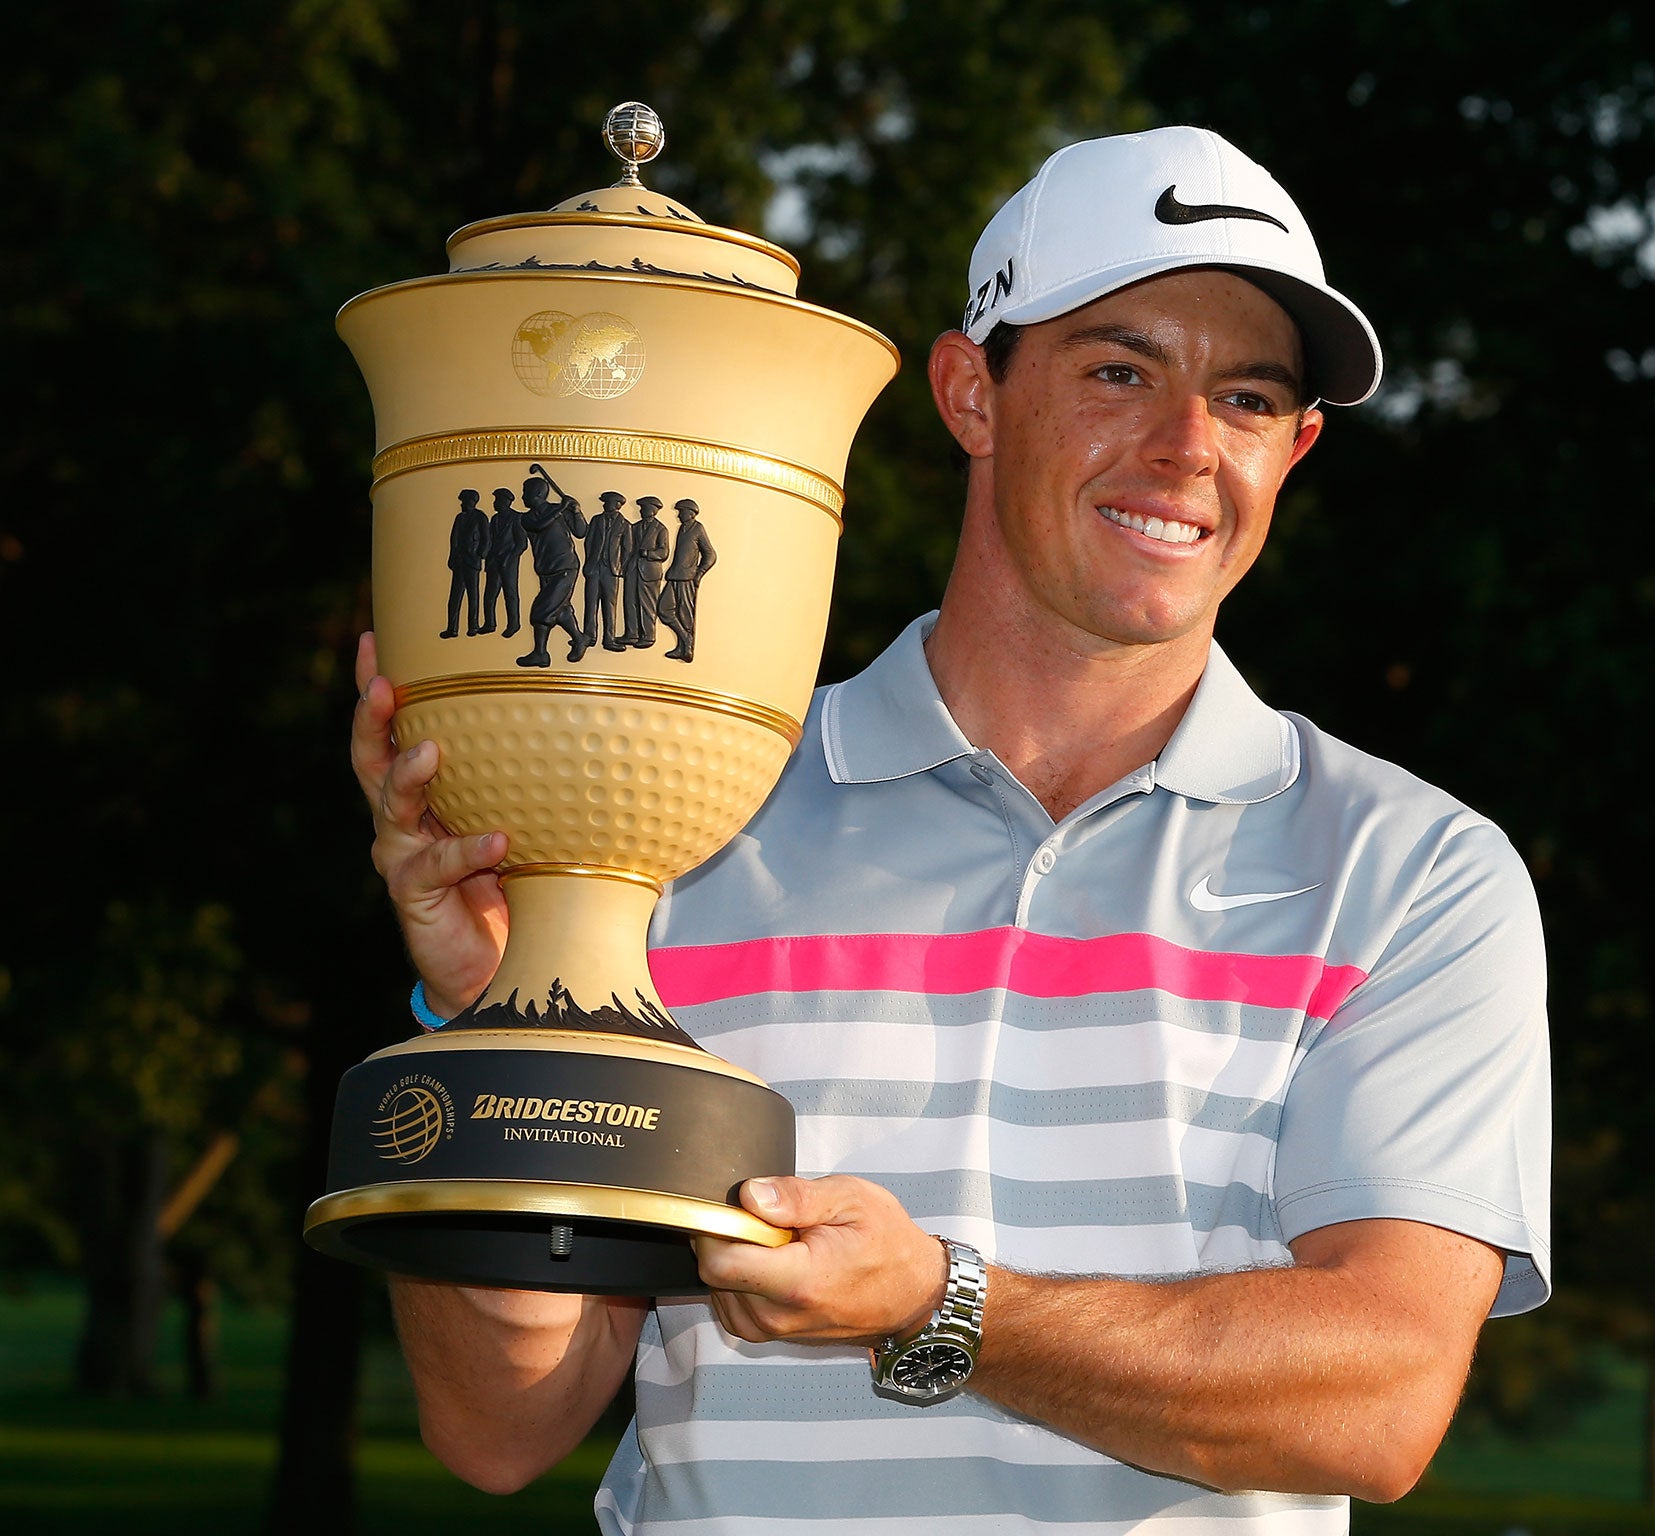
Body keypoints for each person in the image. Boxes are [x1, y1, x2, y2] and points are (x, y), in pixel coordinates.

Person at [352, 126, 1550, 1533]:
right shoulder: (688, 815)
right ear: (970, 391)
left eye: (1245, 398)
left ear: (1296, 448)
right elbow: (502, 1427)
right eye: (1121, 370)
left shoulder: (1409, 870)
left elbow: (1381, 1397)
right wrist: (499, 1021)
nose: (1183, 448)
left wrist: (942, 1304)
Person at [516, 472, 589, 667]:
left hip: (565, 567)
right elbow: (540, 525)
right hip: (545, 569)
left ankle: (540, 653)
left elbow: (581, 532)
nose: (522, 496)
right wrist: (562, 508)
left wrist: (576, 511)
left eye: (525, 492)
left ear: (538, 493)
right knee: (561, 609)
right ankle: (580, 638)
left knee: (541, 609)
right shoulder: (527, 518)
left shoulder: (561, 510)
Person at [655, 497, 715, 662]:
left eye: (681, 512)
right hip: (674, 576)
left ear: (690, 513)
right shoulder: (683, 528)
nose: (679, 515)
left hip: (687, 578)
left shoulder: (698, 528)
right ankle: (684, 640)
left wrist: (699, 573)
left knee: (685, 614)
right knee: (664, 609)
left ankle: (685, 648)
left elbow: (710, 554)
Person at [581, 490, 632, 652]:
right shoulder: (596, 520)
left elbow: (628, 549)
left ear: (617, 504)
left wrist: (620, 568)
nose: (604, 504)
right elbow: (588, 543)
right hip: (594, 568)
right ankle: (589, 636)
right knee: (590, 603)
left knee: (610, 606)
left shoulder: (625, 525)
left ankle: (609, 639)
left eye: (607, 502)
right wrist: (589, 562)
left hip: (612, 571)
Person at [439, 488, 488, 638]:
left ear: (471, 501)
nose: (461, 504)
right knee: (455, 596)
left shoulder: (480, 517)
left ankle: (473, 626)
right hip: (459, 562)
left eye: (463, 501)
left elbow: (486, 538)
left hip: (472, 562)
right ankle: (452, 628)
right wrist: (452, 557)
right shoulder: (459, 518)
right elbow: (453, 539)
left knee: (472, 596)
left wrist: (480, 554)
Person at [623, 495, 668, 648]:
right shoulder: (634, 527)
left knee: (647, 604)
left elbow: (664, 552)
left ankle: (648, 636)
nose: (641, 510)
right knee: (630, 601)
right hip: (633, 570)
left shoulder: (661, 529)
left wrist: (649, 554)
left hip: (649, 573)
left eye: (644, 508)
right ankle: (632, 634)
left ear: (653, 510)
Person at [481, 487, 526, 637]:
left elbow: (521, 544)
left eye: (497, 500)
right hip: (494, 562)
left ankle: (513, 624)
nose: (495, 503)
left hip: (509, 563)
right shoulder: (494, 519)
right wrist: (488, 559)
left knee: (510, 594)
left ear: (506, 502)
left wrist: (509, 557)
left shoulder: (516, 518)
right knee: (489, 594)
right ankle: (489, 623)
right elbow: (490, 540)